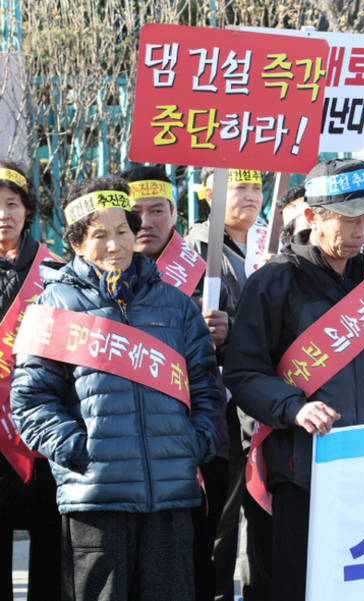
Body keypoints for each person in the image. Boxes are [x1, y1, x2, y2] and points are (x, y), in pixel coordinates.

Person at [10, 175, 222, 601]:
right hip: (96, 500)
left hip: (170, 494)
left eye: (122, 230)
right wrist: (80, 451)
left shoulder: (176, 306)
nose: (115, 245)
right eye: (99, 235)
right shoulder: (53, 306)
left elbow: (205, 386)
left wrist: (194, 443)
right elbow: (30, 401)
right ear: (75, 243)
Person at [223, 158, 364, 601]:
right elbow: (244, 372)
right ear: (312, 216)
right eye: (347, 218)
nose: (361, 230)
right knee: (302, 584)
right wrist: (294, 406)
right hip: (306, 470)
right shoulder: (274, 283)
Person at [120, 164, 231, 601]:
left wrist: (227, 331)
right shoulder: (106, 273)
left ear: (174, 214)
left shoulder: (210, 270)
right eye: (135, 212)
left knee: (198, 554)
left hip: (198, 440)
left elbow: (253, 349)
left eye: (157, 211)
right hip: (129, 444)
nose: (145, 223)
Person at [186, 167, 273, 601]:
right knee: (222, 518)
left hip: (264, 401)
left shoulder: (269, 245)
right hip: (221, 406)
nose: (251, 196)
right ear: (209, 193)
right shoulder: (193, 249)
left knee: (261, 512)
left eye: (257, 187)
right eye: (239, 186)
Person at [0, 160, 62, 601]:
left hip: (42, 426)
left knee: (51, 543)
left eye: (11, 203)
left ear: (27, 210)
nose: (3, 213)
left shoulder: (55, 270)